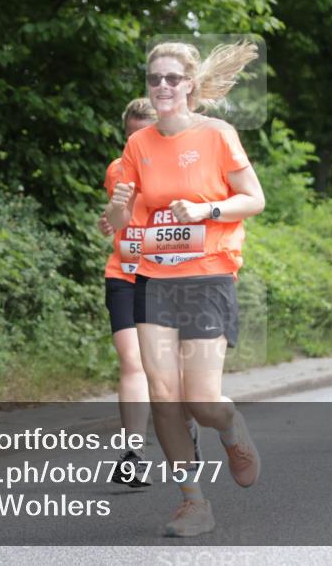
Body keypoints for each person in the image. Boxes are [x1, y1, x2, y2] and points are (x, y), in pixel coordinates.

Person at [106, 40, 264, 537]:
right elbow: (118, 224)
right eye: (155, 79)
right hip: (155, 278)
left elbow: (253, 198)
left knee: (200, 399)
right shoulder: (139, 145)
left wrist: (206, 211)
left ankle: (230, 425)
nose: (163, 87)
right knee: (164, 395)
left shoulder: (218, 135)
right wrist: (119, 206)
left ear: (190, 84)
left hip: (209, 276)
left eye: (173, 78)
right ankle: (193, 502)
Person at [100, 99, 202, 487]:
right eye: (131, 136)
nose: (137, 143)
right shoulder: (118, 169)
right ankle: (132, 453)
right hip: (126, 274)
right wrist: (110, 220)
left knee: (173, 373)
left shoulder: (188, 168)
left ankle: (186, 429)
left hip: (174, 278)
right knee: (132, 360)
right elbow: (118, 216)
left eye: (146, 134)